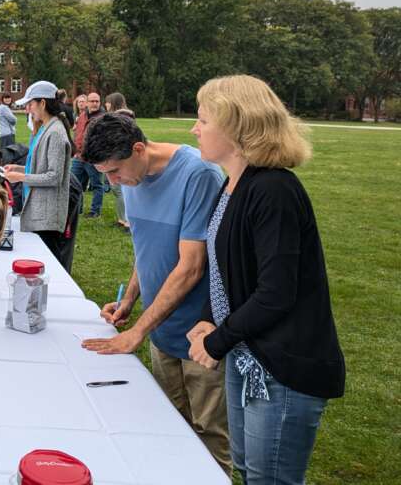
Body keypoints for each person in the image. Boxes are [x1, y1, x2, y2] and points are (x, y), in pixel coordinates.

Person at [186, 75, 344, 485]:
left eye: (203, 120)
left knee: (268, 478)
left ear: (237, 128)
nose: (194, 129)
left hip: (281, 368)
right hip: (248, 354)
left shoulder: (273, 190)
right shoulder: (235, 183)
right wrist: (209, 318)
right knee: (249, 469)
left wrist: (216, 342)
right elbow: (227, 268)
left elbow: (275, 293)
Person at [79, 112, 231, 475]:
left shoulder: (199, 175)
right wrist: (130, 300)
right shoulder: (131, 180)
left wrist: (137, 331)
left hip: (201, 336)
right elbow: (145, 247)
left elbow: (191, 266)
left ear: (138, 148)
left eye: (115, 172)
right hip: (161, 331)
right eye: (106, 176)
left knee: (208, 436)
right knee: (165, 427)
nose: (114, 182)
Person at [3, 81, 77, 271]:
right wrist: (19, 169)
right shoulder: (46, 128)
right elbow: (38, 168)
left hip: (47, 216)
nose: (28, 109)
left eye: (31, 104)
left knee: (47, 267)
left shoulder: (56, 133)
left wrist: (20, 178)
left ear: (43, 103)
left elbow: (53, 176)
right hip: (39, 211)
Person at [71, 91, 106, 219]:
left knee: (97, 185)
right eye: (92, 101)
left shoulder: (103, 118)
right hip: (79, 157)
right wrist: (75, 151)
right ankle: (76, 209)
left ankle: (95, 211)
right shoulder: (82, 115)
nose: (94, 104)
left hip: (93, 158)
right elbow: (78, 134)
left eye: (97, 101)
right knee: (74, 184)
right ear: (87, 103)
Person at [104, 92, 135, 230]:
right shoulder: (118, 117)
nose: (106, 104)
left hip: (121, 157)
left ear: (114, 103)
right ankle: (122, 218)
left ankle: (127, 221)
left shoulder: (122, 117)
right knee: (118, 190)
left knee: (123, 190)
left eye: (108, 102)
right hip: (116, 155)